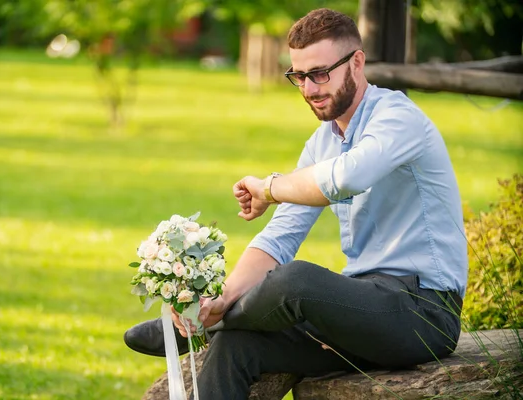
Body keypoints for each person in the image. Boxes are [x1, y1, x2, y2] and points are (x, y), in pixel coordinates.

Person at [125, 7, 468, 399]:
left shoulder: (397, 118)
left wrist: (269, 188)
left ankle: (207, 326)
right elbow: (279, 237)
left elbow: (346, 178)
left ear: (357, 62)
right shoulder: (322, 141)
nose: (309, 88)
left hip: (423, 313)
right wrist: (220, 298)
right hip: (360, 309)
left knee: (297, 281)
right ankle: (214, 324)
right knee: (236, 347)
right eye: (298, 76)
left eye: (320, 73)